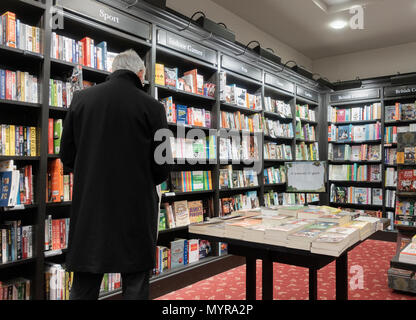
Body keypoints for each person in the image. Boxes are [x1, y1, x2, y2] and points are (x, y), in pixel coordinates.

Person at [60, 49, 171, 300]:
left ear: (113, 70)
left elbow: (66, 155)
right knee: (135, 286)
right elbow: (163, 165)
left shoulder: (81, 99)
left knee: (84, 285)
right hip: (135, 212)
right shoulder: (154, 108)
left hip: (91, 210)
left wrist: (91, 174)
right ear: (140, 73)